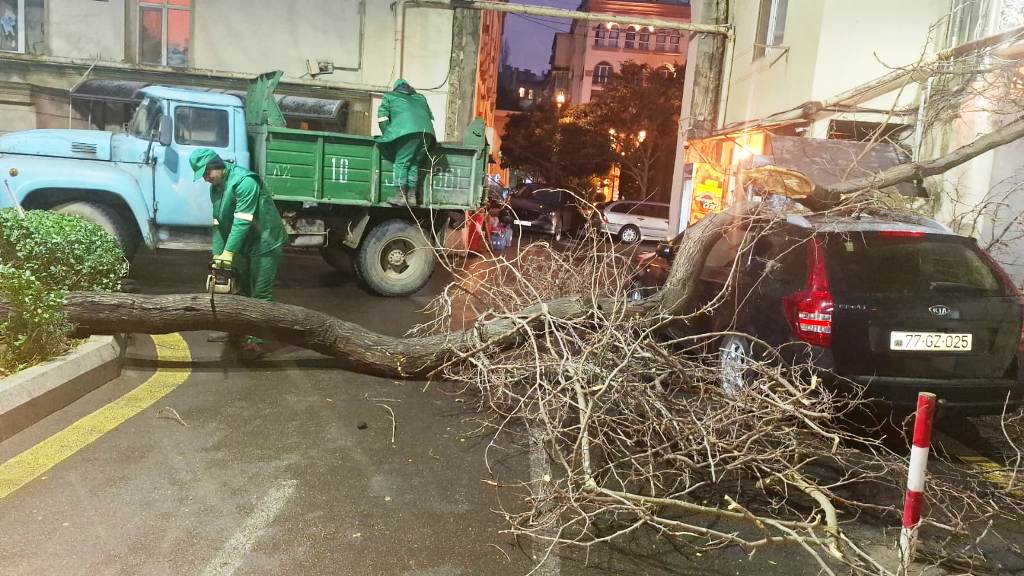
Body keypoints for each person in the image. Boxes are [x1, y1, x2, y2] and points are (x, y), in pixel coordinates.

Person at [189, 148, 287, 360]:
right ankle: (237, 331)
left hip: (265, 242)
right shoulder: (215, 188)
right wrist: (218, 255)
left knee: (259, 293)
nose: (205, 179)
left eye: (206, 173)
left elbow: (242, 221)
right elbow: (218, 223)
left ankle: (255, 341)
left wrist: (229, 252)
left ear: (216, 165)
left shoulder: (245, 182)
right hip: (243, 243)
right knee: (242, 291)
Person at [377, 78, 436, 207]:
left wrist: (389, 136)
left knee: (402, 163)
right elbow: (429, 117)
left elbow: (382, 118)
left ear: (395, 89)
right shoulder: (420, 98)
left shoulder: (390, 96)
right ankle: (412, 197)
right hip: (427, 133)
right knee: (413, 163)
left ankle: (400, 197)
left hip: (407, 132)